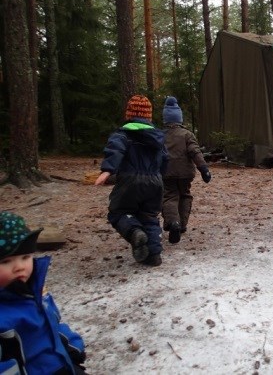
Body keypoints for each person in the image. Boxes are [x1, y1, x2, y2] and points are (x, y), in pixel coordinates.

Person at [0, 211, 87, 374]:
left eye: (25, 257)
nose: (19, 266)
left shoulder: (35, 290)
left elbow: (52, 323)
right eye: (5, 261)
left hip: (62, 364)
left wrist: (71, 344)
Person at [95, 95, 168, 267]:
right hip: (155, 181)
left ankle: (134, 231)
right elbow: (165, 159)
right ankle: (154, 256)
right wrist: (160, 176)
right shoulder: (157, 138)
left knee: (118, 212)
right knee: (150, 217)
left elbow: (115, 149)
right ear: (149, 116)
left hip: (130, 180)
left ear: (129, 114)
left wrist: (108, 169)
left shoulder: (123, 135)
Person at [161, 96, 211, 244]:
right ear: (179, 119)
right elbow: (195, 152)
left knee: (169, 196)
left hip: (166, 172)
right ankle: (181, 225)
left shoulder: (160, 135)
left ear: (165, 119)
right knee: (184, 195)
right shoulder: (187, 134)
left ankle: (173, 222)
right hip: (185, 173)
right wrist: (203, 169)